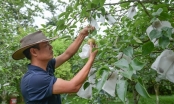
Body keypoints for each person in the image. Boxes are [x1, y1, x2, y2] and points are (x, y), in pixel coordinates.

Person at [12, 25, 98, 104]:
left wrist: (82, 35)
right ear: (34, 52)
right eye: (46, 45)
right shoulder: (35, 79)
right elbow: (73, 86)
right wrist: (91, 58)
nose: (51, 47)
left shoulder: (46, 66)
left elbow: (67, 54)